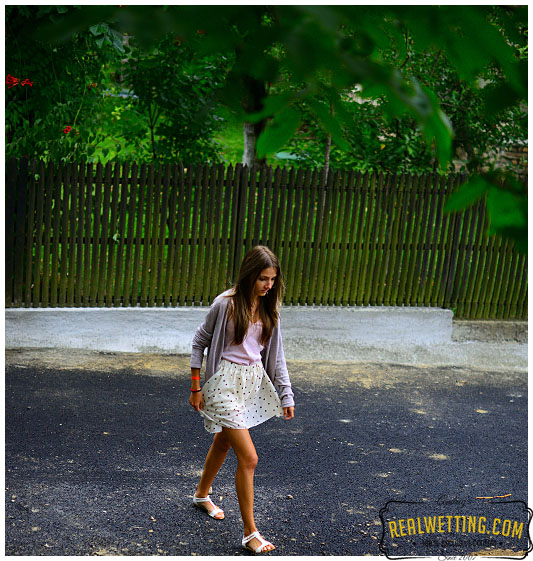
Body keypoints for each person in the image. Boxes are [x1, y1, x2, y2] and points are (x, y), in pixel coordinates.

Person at [189, 245, 295, 554]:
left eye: (273, 280)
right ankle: (250, 533)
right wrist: (196, 387)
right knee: (249, 458)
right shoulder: (225, 304)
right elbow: (199, 342)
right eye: (263, 278)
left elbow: (277, 359)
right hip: (222, 381)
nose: (268, 286)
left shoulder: (269, 308)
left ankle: (201, 495)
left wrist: (285, 393)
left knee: (224, 442)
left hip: (251, 383)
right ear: (249, 274)